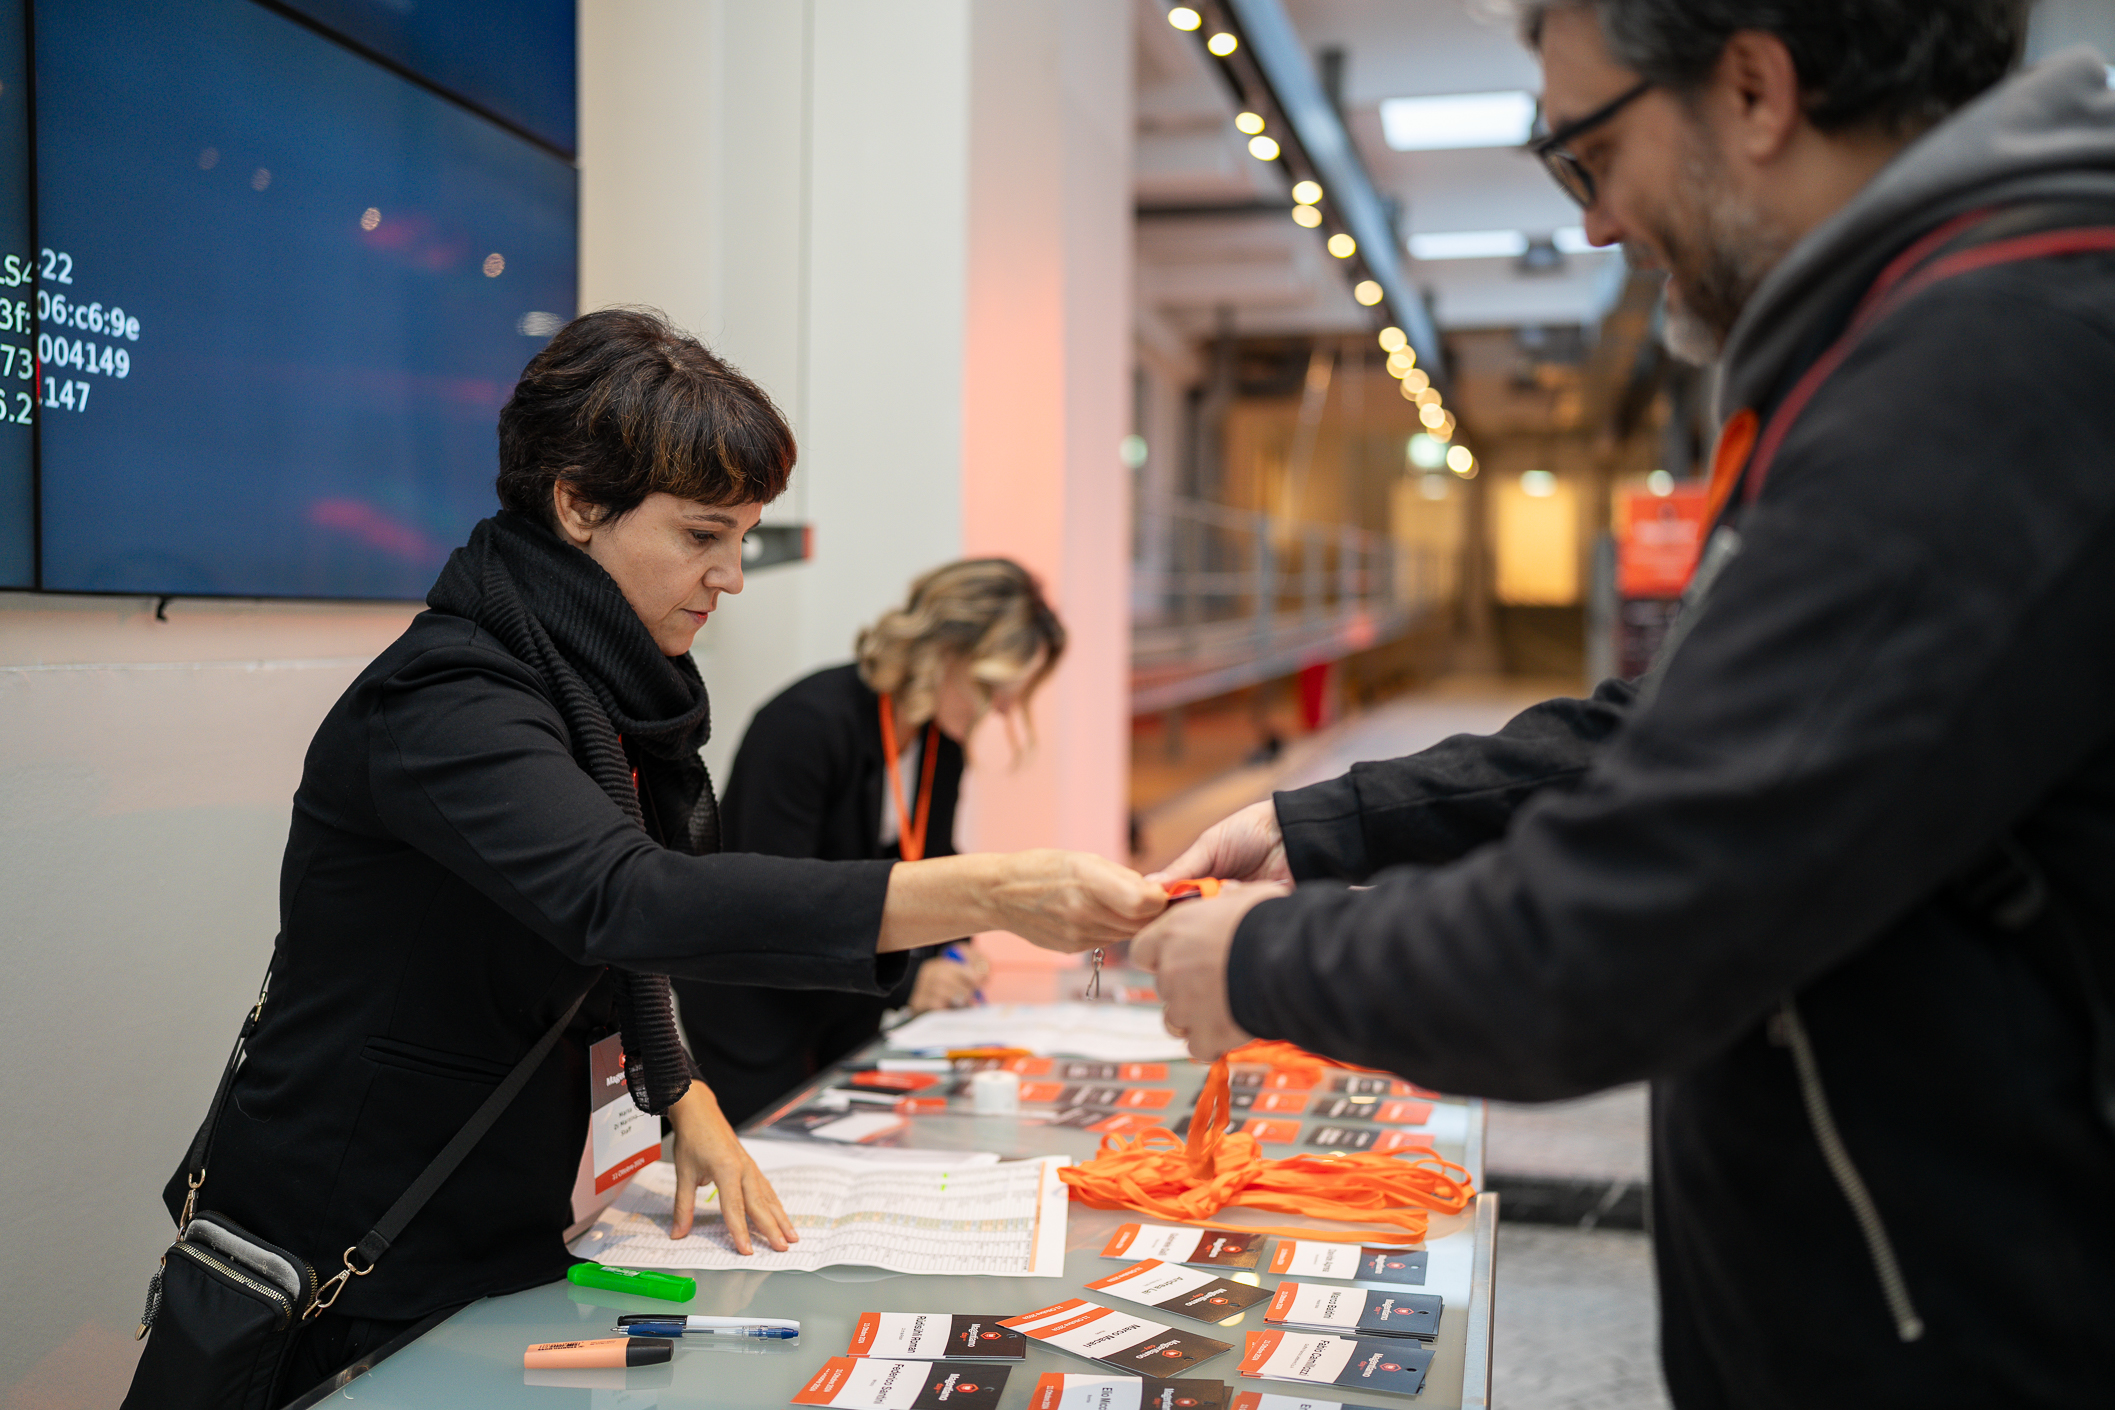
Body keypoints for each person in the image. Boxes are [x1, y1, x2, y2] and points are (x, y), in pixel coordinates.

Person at [1134, 4, 2115, 1406]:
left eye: (1586, 156)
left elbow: (1618, 930)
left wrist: (1258, 965)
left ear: (1754, 88)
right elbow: (1675, 732)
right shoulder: (1908, 349)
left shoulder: (1988, 375)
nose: (1593, 225)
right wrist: (1329, 822)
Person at [131, 308, 1166, 1405]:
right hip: (357, 1230)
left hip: (499, 1218)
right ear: (579, 503)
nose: (730, 575)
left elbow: (609, 927)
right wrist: (995, 890)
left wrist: (680, 1092)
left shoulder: (598, 694)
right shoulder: (449, 697)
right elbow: (622, 897)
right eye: (702, 535)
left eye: (742, 538)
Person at [676, 558, 1065, 1123]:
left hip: (846, 995)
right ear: (943, 653)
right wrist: (911, 981)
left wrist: (954, 948)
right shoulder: (807, 724)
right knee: (772, 1152)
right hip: (753, 1002)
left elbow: (930, 858)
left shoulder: (941, 743)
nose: (1003, 709)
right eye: (991, 687)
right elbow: (778, 900)